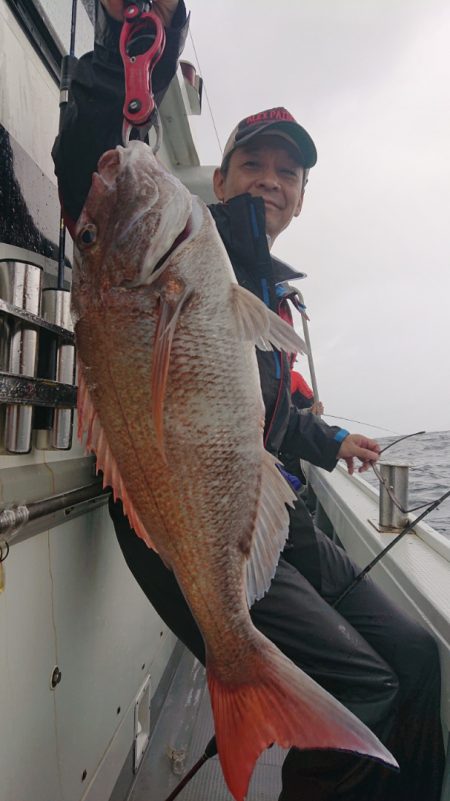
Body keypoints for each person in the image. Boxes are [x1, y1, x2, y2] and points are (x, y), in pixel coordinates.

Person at [52, 3, 445, 800]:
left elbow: (267, 409)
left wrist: (333, 442)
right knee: (364, 690)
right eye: (254, 163)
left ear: (300, 196)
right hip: (181, 519)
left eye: (288, 171)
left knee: (416, 655)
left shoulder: (262, 285)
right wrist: (140, 44)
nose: (271, 179)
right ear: (219, 178)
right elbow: (93, 151)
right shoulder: (191, 247)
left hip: (259, 506)